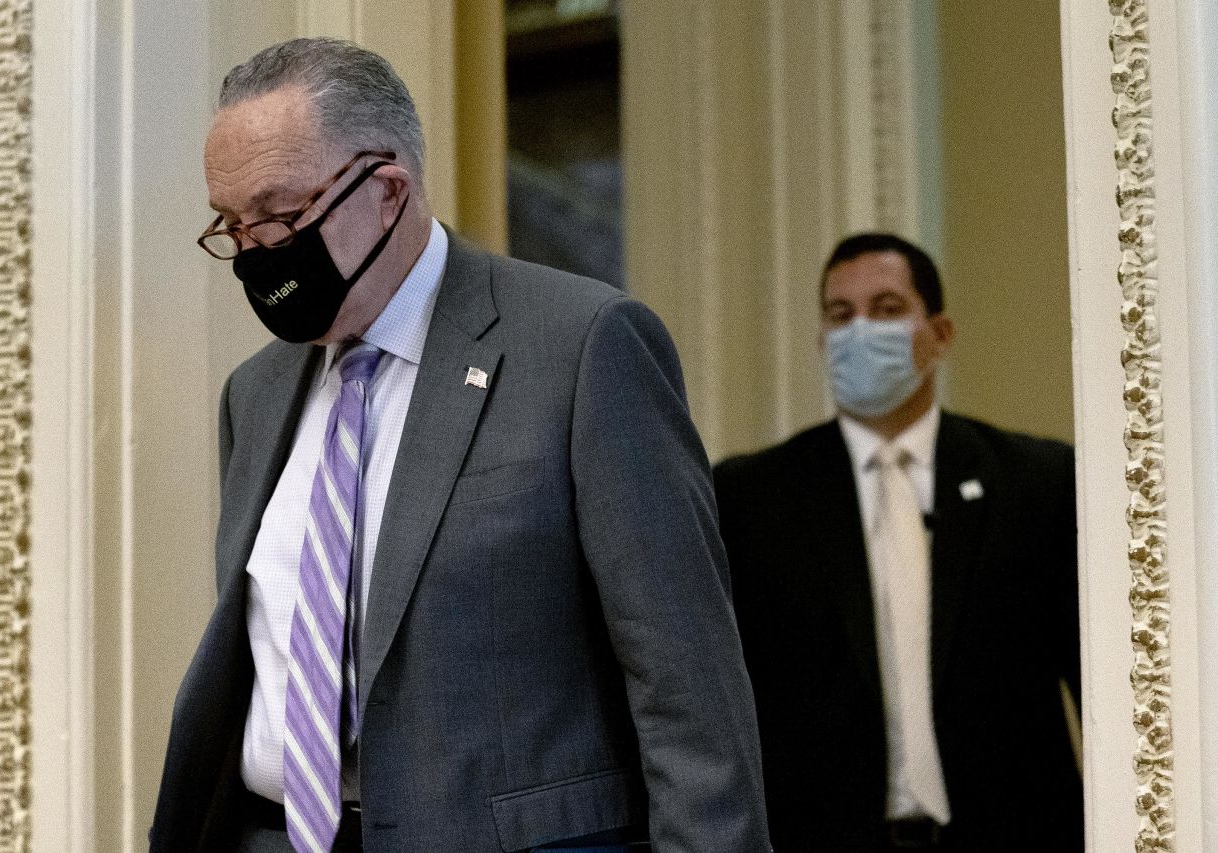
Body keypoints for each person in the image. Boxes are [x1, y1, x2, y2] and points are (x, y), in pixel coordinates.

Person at [149, 38, 770, 853]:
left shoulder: (583, 347)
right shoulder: (256, 394)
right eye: (234, 227)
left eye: (282, 217)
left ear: (389, 191)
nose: (259, 253)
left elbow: (688, 691)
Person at [713, 233, 1082, 852]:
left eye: (886, 310)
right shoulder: (750, 497)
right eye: (839, 316)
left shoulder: (1038, 482)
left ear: (939, 334)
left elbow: (1094, 674)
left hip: (1015, 833)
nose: (859, 331)